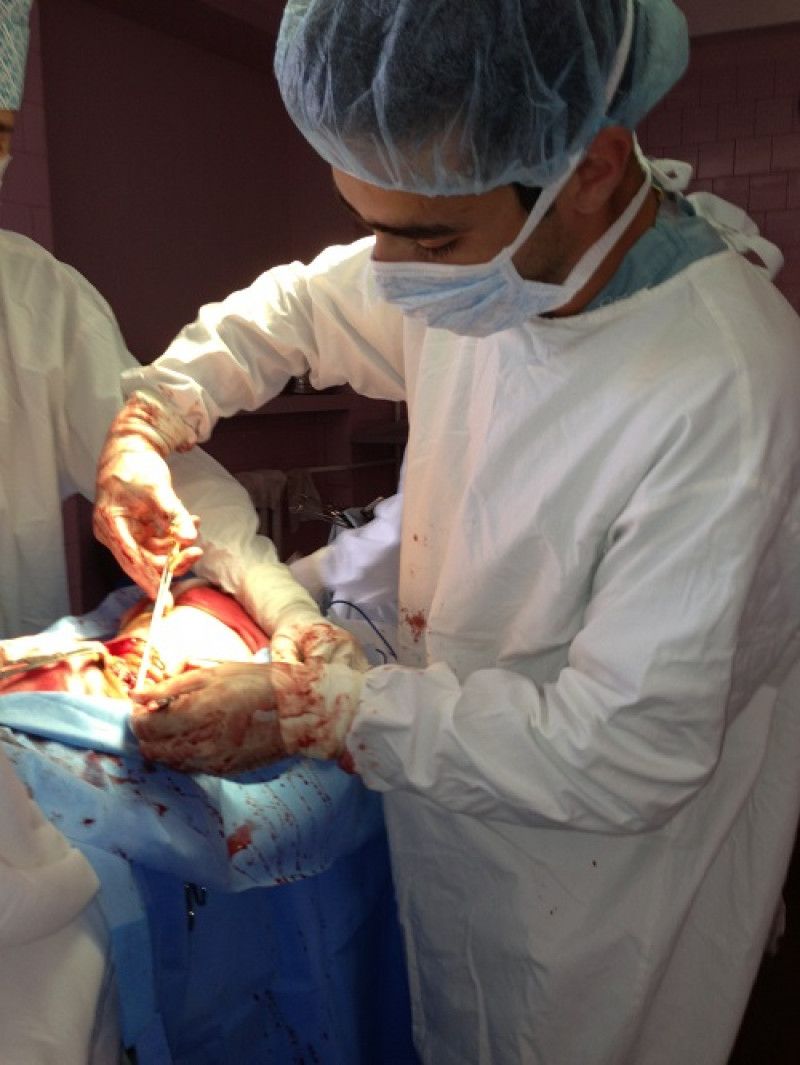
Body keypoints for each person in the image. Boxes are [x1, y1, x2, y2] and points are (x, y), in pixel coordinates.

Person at [93, 1, 800, 1063]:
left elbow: (627, 751)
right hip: (448, 817)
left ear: (593, 170)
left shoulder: (721, 387)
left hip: (599, 896)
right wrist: (154, 414)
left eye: (426, 237)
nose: (389, 271)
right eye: (368, 220)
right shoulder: (487, 260)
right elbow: (299, 311)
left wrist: (328, 711)